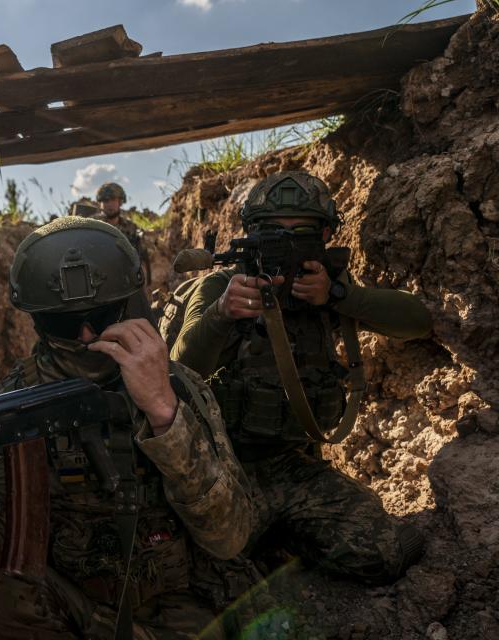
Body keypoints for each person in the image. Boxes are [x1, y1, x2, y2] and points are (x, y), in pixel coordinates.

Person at [0, 217, 255, 639]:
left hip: (178, 605)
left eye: (102, 315)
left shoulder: (179, 385)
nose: (87, 336)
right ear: (36, 320)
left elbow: (229, 538)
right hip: (72, 606)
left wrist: (164, 413)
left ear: (127, 303)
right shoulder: (16, 406)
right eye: (64, 323)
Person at [169, 171, 432, 584]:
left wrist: (342, 296)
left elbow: (418, 322)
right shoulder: (222, 286)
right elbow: (179, 373)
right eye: (273, 233)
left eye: (302, 232)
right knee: (210, 577)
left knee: (383, 552)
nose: (287, 244)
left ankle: (285, 538)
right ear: (251, 234)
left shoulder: (325, 286)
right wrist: (222, 314)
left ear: (326, 233)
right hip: (221, 470)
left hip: (291, 466)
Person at [95, 182, 153, 284]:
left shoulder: (131, 227)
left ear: (120, 202)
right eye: (105, 201)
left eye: (113, 199)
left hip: (126, 280)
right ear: (100, 203)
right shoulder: (93, 225)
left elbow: (142, 257)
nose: (109, 204)